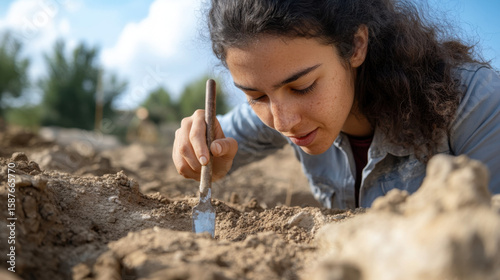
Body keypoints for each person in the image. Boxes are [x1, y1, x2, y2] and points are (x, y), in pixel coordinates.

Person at [173, 0, 500, 209]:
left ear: (356, 45)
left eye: (302, 87)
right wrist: (198, 150)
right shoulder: (277, 105)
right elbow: (215, 143)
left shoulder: (476, 105)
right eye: (255, 96)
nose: (283, 121)